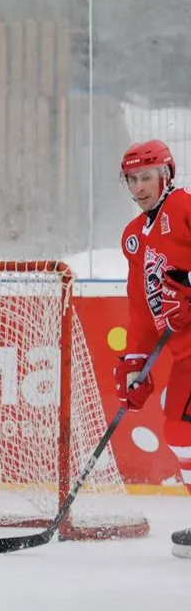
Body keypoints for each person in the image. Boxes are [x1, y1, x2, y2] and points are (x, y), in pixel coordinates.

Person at [114, 140, 191, 555]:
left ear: (166, 175)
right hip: (183, 352)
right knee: (180, 434)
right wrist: (135, 365)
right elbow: (141, 310)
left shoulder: (183, 208)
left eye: (146, 177)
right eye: (132, 179)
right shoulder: (133, 237)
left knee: (185, 431)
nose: (139, 186)